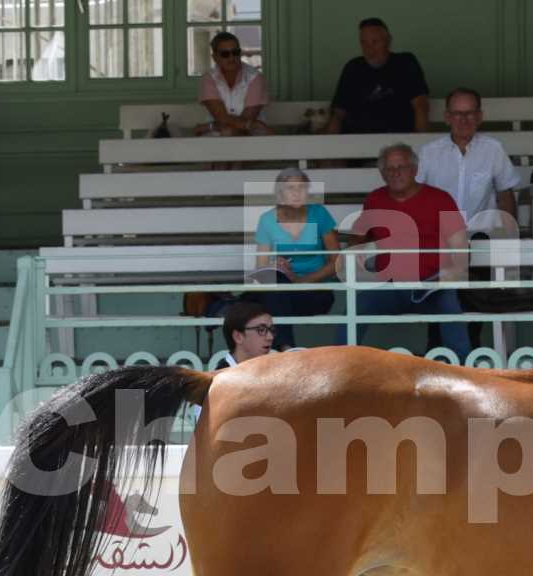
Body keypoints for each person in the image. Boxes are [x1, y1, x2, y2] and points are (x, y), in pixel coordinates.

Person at [349, 143, 472, 361]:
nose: (396, 173)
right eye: (389, 168)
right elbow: (358, 234)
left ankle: (464, 369)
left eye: (402, 167)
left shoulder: (439, 198)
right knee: (353, 311)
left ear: (414, 170)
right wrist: (356, 248)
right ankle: (340, 365)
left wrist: (456, 270)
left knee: (451, 312)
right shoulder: (375, 199)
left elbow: (460, 244)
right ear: (382, 173)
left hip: (431, 285)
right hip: (390, 285)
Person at [252, 167, 340, 350]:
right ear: (279, 193)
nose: (297, 193)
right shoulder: (267, 220)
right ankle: (287, 348)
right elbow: (260, 269)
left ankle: (284, 349)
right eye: (290, 188)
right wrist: (274, 265)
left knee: (272, 301)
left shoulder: (319, 213)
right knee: (274, 285)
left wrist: (301, 280)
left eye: (301, 187)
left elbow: (337, 261)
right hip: (282, 292)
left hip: (315, 293)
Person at [416, 88, 520, 230]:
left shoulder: (493, 149)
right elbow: (416, 196)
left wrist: (510, 239)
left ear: (479, 117)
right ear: (447, 117)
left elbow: (505, 196)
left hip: (482, 238)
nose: (463, 120)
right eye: (457, 114)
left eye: (469, 113)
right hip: (440, 237)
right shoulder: (429, 153)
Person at [327, 17, 430, 135]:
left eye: (375, 42)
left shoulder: (405, 63)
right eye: (363, 42)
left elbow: (420, 105)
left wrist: (421, 144)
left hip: (398, 142)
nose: (369, 49)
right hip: (357, 141)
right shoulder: (353, 68)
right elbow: (338, 113)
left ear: (388, 41)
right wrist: (328, 146)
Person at [196, 32, 269, 137]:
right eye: (225, 54)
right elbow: (222, 118)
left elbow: (247, 119)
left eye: (235, 52)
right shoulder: (208, 79)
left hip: (251, 141)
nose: (231, 58)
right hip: (216, 142)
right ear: (215, 57)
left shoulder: (255, 78)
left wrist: (209, 126)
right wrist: (250, 125)